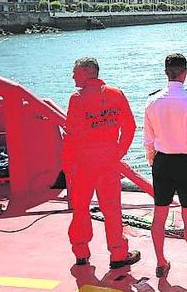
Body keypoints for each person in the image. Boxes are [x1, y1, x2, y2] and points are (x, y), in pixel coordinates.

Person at [62, 57, 141, 269]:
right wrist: (118, 152)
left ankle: (81, 253)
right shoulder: (116, 94)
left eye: (75, 72)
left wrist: (67, 165)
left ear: (88, 72)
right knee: (112, 209)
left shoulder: (76, 99)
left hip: (82, 163)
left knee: (80, 208)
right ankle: (117, 255)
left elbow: (70, 135)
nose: (72, 76)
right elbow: (130, 127)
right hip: (108, 161)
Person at [143, 53, 187, 279]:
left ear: (165, 72)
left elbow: (148, 139)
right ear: (185, 72)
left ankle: (161, 263)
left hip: (162, 161)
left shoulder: (152, 101)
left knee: (159, 214)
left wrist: (152, 159)